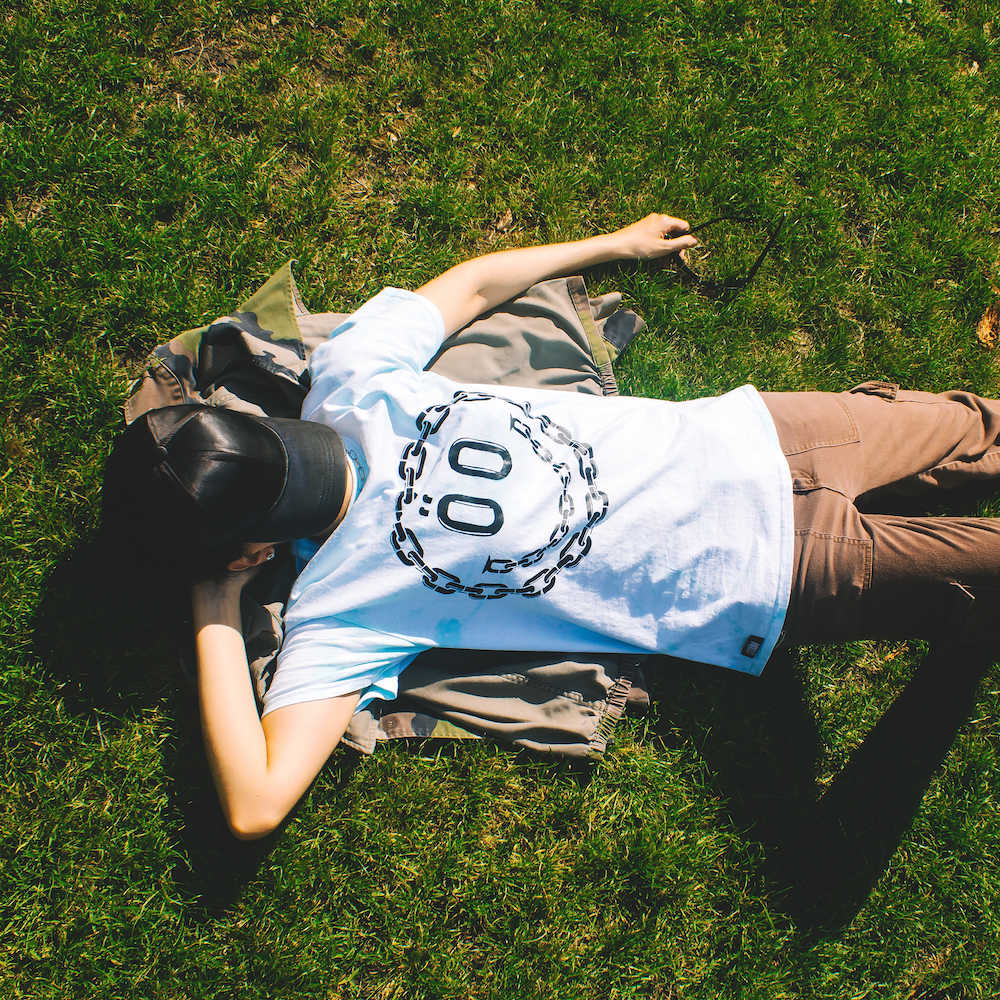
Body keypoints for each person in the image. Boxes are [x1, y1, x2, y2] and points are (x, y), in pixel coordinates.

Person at [103, 212, 1000, 840]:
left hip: (766, 544)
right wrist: (614, 242)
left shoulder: (341, 615)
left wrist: (215, 603)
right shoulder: (350, 380)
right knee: (977, 427)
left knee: (977, 469)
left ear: (252, 550)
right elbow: (473, 284)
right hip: (771, 471)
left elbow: (256, 802)